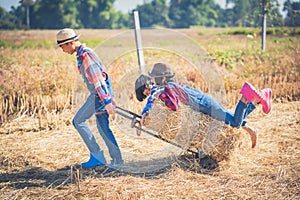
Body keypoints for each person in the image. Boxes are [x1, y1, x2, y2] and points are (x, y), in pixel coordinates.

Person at [135, 63, 272, 148]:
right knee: (231, 121)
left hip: (206, 105)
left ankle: (245, 96)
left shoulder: (168, 88)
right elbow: (153, 98)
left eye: (154, 77)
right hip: (206, 103)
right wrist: (146, 112)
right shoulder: (172, 85)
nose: (153, 81)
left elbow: (173, 106)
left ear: (161, 78)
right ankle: (256, 101)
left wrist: (158, 101)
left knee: (235, 123)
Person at [56, 28, 123, 170]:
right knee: (102, 127)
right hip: (100, 93)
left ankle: (98, 157)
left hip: (99, 95)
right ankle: (115, 160)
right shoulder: (82, 54)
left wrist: (107, 101)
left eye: (62, 47)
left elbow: (98, 80)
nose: (62, 50)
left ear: (70, 43)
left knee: (78, 121)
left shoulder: (86, 55)